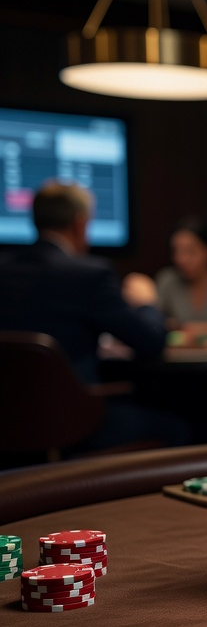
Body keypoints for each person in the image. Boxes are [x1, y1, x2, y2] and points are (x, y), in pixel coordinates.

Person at [0, 180, 186, 450]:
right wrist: (147, 302)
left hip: (9, 423)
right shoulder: (87, 274)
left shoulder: (4, 269)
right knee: (182, 427)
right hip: (73, 422)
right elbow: (151, 341)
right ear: (80, 223)